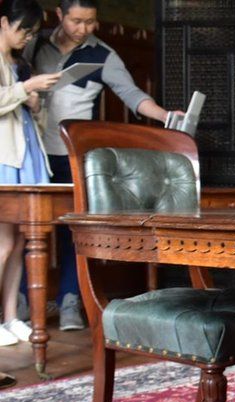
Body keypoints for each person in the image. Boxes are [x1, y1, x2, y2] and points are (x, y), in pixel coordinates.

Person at [25, 0, 174, 331]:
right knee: (27, 229)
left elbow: (133, 96)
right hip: (31, 152)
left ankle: (68, 303)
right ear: (60, 15)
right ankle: (22, 303)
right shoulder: (33, 44)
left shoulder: (103, 54)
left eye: (91, 22)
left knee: (71, 232)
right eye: (77, 21)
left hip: (72, 155)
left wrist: (166, 116)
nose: (84, 29)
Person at [0, 0, 61, 385]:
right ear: (4, 22)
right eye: (23, 30)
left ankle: (11, 317)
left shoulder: (18, 64)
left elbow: (25, 111)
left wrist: (33, 99)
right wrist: (26, 88)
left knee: (23, 242)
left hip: (26, 152)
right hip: (4, 156)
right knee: (3, 243)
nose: (26, 38)